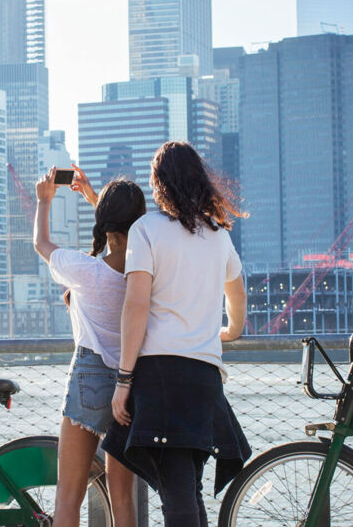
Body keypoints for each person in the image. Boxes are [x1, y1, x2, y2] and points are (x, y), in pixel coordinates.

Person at [102, 141, 251, 526]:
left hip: (160, 378)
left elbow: (135, 307)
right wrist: (230, 332)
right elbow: (236, 290)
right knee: (187, 488)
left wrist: (123, 379)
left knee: (177, 494)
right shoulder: (218, 235)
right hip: (204, 376)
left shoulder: (147, 230)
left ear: (159, 184)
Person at [33, 165, 144, 527]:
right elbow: (128, 233)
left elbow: (42, 244)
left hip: (90, 379)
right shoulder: (145, 274)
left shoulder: (86, 271)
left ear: (105, 224)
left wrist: (44, 202)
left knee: (69, 495)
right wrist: (98, 199)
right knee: (122, 498)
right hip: (132, 382)